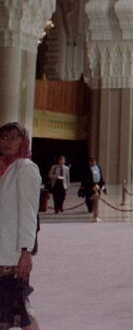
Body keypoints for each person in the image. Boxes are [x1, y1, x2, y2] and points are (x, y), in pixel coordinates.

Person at [0, 122, 42, 330]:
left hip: (12, 255)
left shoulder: (25, 168)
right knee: (10, 311)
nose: (7, 142)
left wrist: (26, 250)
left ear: (23, 142)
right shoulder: (3, 168)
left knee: (21, 310)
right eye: (4, 137)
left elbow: (28, 212)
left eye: (14, 138)